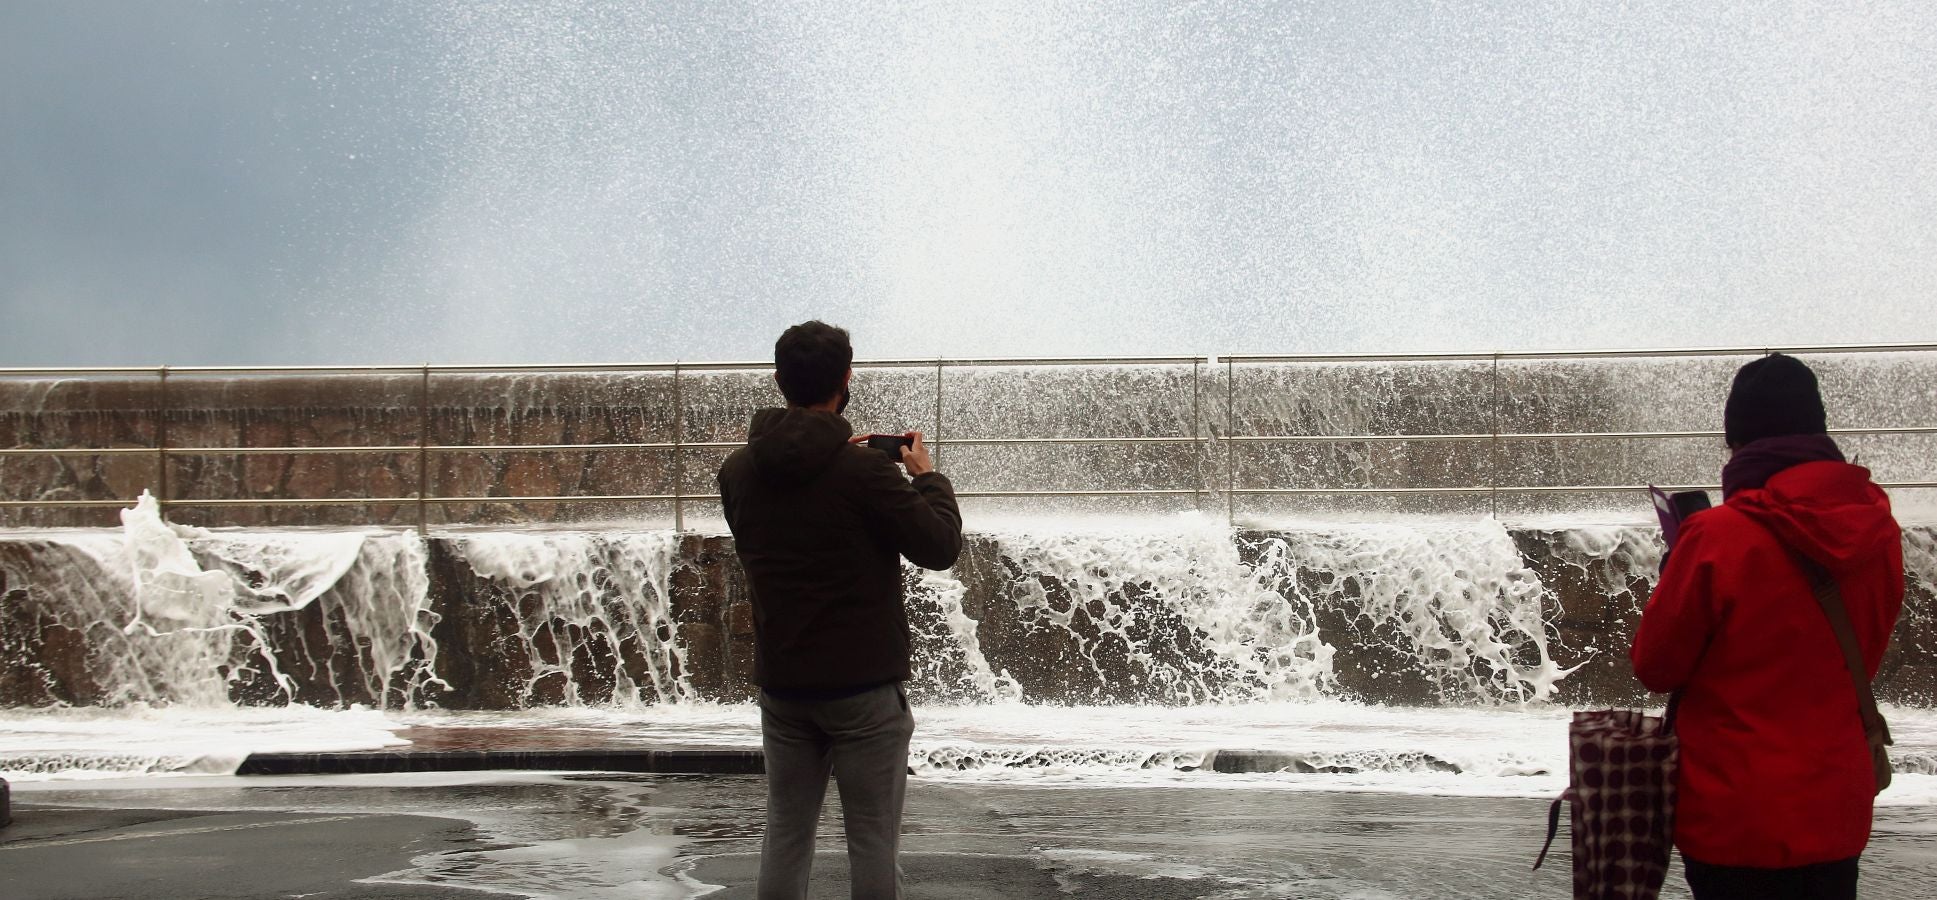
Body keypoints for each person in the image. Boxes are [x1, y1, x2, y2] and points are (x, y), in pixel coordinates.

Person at [1632, 353, 1904, 900]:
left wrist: (1675, 572)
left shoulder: (1715, 536)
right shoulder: (1879, 529)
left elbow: (1656, 667)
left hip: (1733, 810)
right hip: (1836, 803)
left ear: (1738, 443)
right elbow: (1860, 654)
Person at [716, 320, 964, 900]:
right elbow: (939, 547)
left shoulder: (737, 472)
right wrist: (927, 477)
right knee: (872, 841)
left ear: (779, 380)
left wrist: (836, 459)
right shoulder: (865, 472)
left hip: (784, 685)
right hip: (863, 689)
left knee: (785, 833)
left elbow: (794, 517)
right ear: (846, 378)